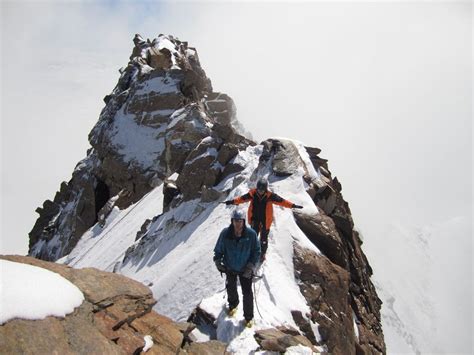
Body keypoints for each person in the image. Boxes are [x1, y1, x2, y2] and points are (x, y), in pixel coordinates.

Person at [224, 178, 303, 261]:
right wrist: (232, 201)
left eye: (262, 190)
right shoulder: (252, 194)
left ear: (265, 189)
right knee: (253, 236)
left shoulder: (271, 196)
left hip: (265, 221)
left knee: (264, 238)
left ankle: (263, 253)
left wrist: (292, 205)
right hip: (255, 220)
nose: (260, 191)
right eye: (259, 190)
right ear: (257, 188)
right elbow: (241, 199)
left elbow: (282, 201)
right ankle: (251, 251)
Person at [213, 208, 261, 327]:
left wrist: (250, 266)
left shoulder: (251, 234)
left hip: (245, 268)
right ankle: (233, 305)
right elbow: (218, 250)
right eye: (235, 221)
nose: (238, 224)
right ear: (232, 221)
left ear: (244, 221)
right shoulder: (225, 233)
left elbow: (256, 251)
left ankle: (249, 317)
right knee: (231, 287)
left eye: (240, 221)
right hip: (230, 266)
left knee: (247, 293)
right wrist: (218, 261)